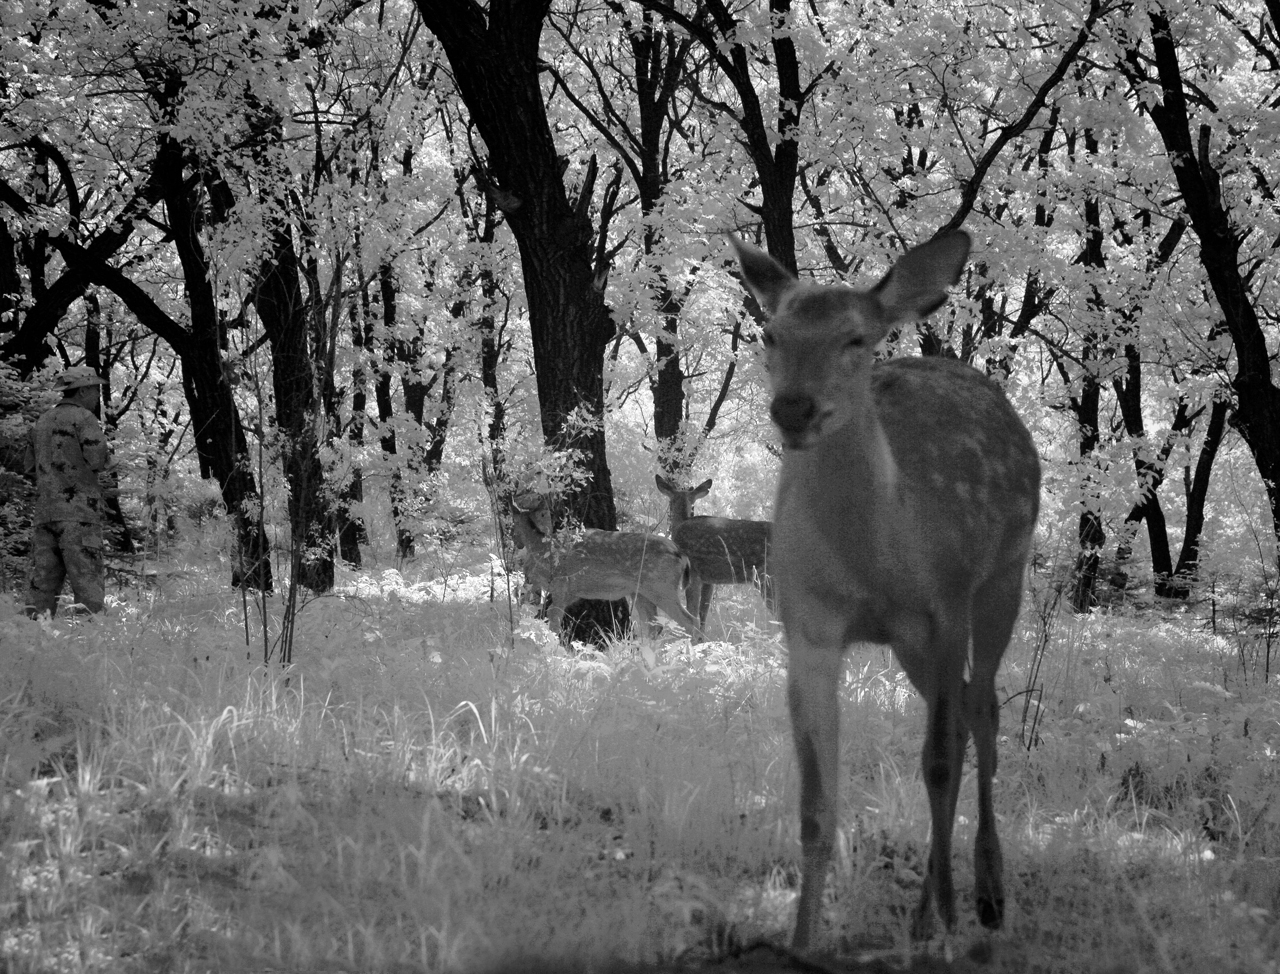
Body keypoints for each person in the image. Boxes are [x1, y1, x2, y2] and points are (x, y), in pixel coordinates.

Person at [22, 365, 111, 618]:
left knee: (42, 584)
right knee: (88, 584)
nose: (97, 397)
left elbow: (29, 466)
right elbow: (97, 459)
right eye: (95, 390)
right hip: (80, 515)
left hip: (45, 514)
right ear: (82, 391)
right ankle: (88, 645)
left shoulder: (41, 421)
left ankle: (32, 641)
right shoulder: (84, 418)